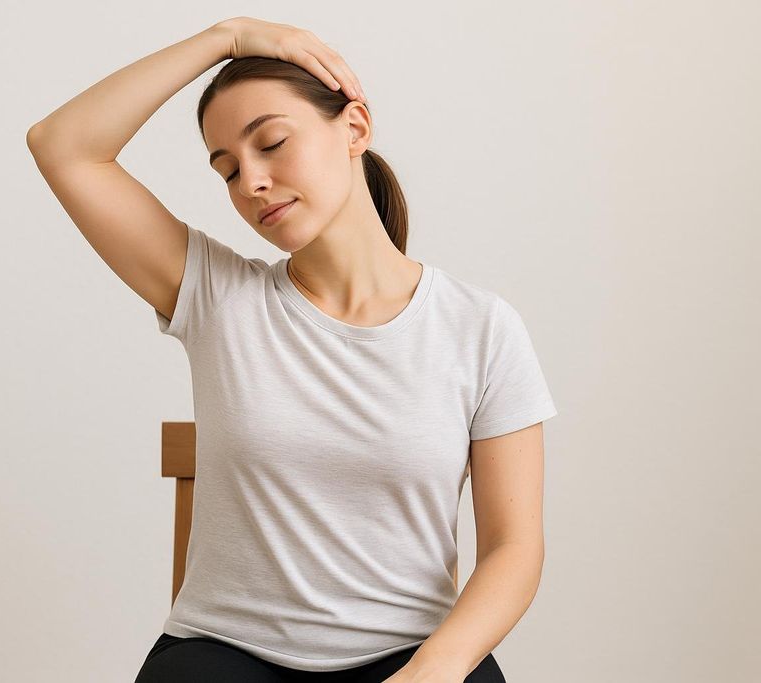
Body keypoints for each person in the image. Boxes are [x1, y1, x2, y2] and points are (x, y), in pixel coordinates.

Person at [27, 16, 557, 683]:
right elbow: (62, 146)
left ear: (355, 129)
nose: (251, 181)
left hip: (411, 651)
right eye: (227, 169)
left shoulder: (481, 327)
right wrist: (228, 36)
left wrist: (439, 667)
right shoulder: (218, 297)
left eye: (271, 142)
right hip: (225, 651)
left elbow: (514, 546)